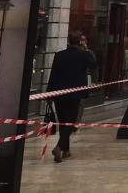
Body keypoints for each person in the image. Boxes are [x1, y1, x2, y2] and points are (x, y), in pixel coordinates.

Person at [47, 31, 96, 162]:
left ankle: (66, 150)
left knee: (63, 122)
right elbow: (93, 65)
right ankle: (59, 147)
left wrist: (48, 94)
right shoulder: (84, 55)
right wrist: (86, 49)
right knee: (70, 122)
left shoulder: (59, 55)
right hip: (75, 94)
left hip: (59, 94)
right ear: (80, 42)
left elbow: (53, 75)